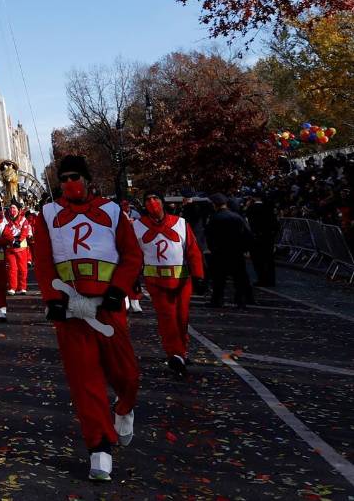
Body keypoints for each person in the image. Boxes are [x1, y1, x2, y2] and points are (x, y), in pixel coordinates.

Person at [31, 155, 142, 483]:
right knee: (85, 381)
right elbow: (42, 260)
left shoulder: (112, 211)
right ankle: (99, 448)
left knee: (127, 375)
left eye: (75, 176)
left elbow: (132, 255)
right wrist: (52, 300)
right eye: (63, 178)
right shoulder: (48, 214)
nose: (69, 182)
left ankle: (124, 407)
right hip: (71, 311)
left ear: (88, 179)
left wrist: (118, 289)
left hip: (108, 307)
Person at [133, 195, 204, 375]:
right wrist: (133, 279)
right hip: (156, 282)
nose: (152, 203)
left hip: (181, 281)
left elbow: (192, 250)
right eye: (148, 200)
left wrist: (198, 276)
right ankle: (174, 354)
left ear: (163, 202)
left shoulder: (180, 223)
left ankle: (181, 351)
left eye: (155, 198)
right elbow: (134, 255)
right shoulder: (137, 226)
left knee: (182, 317)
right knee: (167, 318)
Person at [205, 194, 254, 308]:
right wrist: (244, 249)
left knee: (219, 279)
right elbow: (247, 234)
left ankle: (217, 300)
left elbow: (210, 235)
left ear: (214, 205)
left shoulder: (215, 218)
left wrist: (212, 248)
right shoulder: (237, 217)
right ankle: (241, 301)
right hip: (236, 251)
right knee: (239, 278)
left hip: (220, 251)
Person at [4, 202, 32, 295]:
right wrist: (11, 240)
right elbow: (5, 232)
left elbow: (25, 231)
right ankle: (12, 287)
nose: (12, 210)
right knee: (12, 268)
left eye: (14, 208)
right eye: (11, 208)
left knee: (22, 268)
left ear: (18, 210)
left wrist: (19, 240)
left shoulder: (23, 220)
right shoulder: (6, 220)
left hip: (21, 247)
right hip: (10, 247)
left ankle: (22, 287)